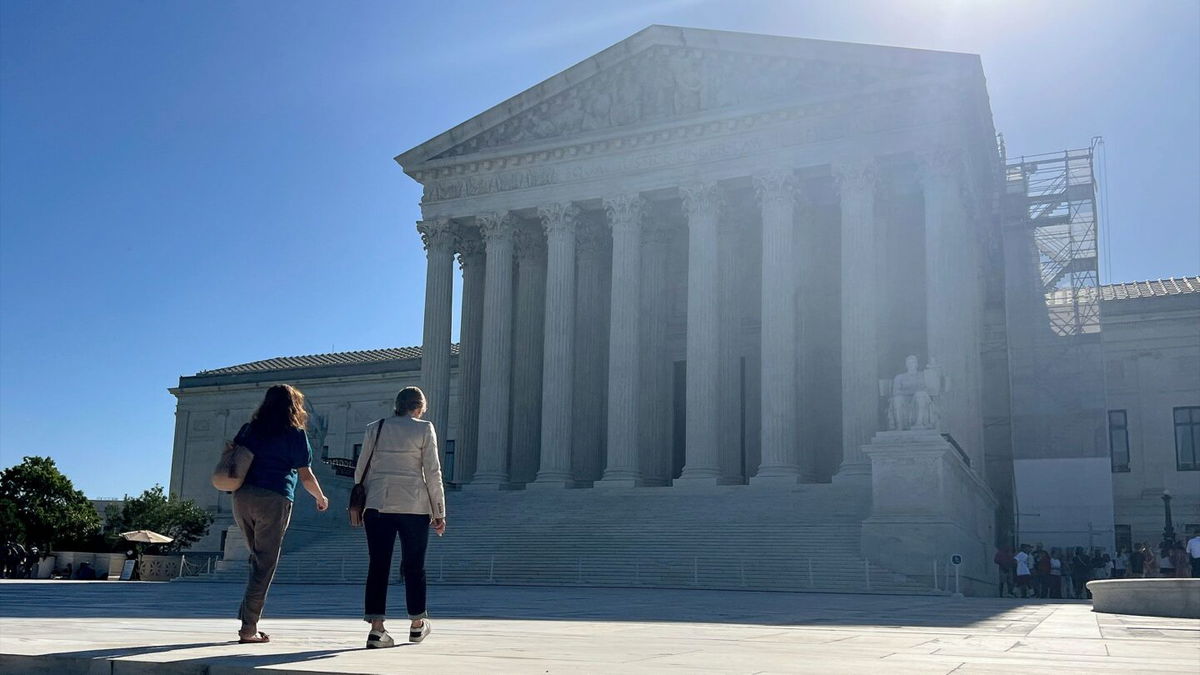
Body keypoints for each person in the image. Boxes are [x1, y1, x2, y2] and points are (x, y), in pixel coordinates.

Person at [230, 384, 329, 644]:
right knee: (265, 563)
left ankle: (246, 618)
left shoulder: (249, 429)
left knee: (257, 558)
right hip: (273, 498)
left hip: (241, 497)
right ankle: (248, 629)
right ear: (294, 406)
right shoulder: (294, 433)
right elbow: (305, 475)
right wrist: (320, 497)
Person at [355, 386, 447, 649]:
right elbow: (433, 471)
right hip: (414, 505)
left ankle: (376, 629)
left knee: (378, 565)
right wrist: (439, 511)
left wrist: (365, 502)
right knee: (414, 565)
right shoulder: (424, 428)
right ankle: (417, 624)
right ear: (418, 408)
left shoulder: (377, 427)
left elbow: (361, 469)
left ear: (397, 405)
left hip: (378, 505)